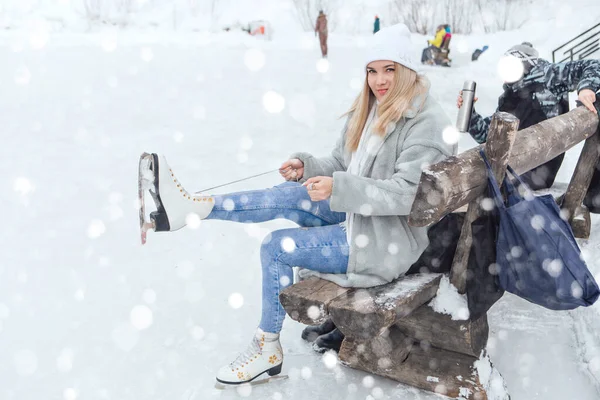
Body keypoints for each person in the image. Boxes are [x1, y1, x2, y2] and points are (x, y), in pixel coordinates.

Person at [141, 23, 456, 385]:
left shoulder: (427, 123)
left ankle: (267, 348)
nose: (379, 80)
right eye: (372, 70)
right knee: (288, 194)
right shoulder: (372, 109)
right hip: (359, 220)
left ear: (407, 72)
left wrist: (339, 188)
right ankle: (193, 208)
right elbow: (342, 163)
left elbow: (406, 194)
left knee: (277, 248)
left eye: (390, 70)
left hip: (383, 242)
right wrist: (310, 168)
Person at [457, 42, 600, 190]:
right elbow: (487, 135)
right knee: (467, 181)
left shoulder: (548, 76)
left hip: (538, 169)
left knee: (483, 188)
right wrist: (469, 113)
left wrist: (586, 88)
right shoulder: (510, 95)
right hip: (511, 164)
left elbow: (593, 65)